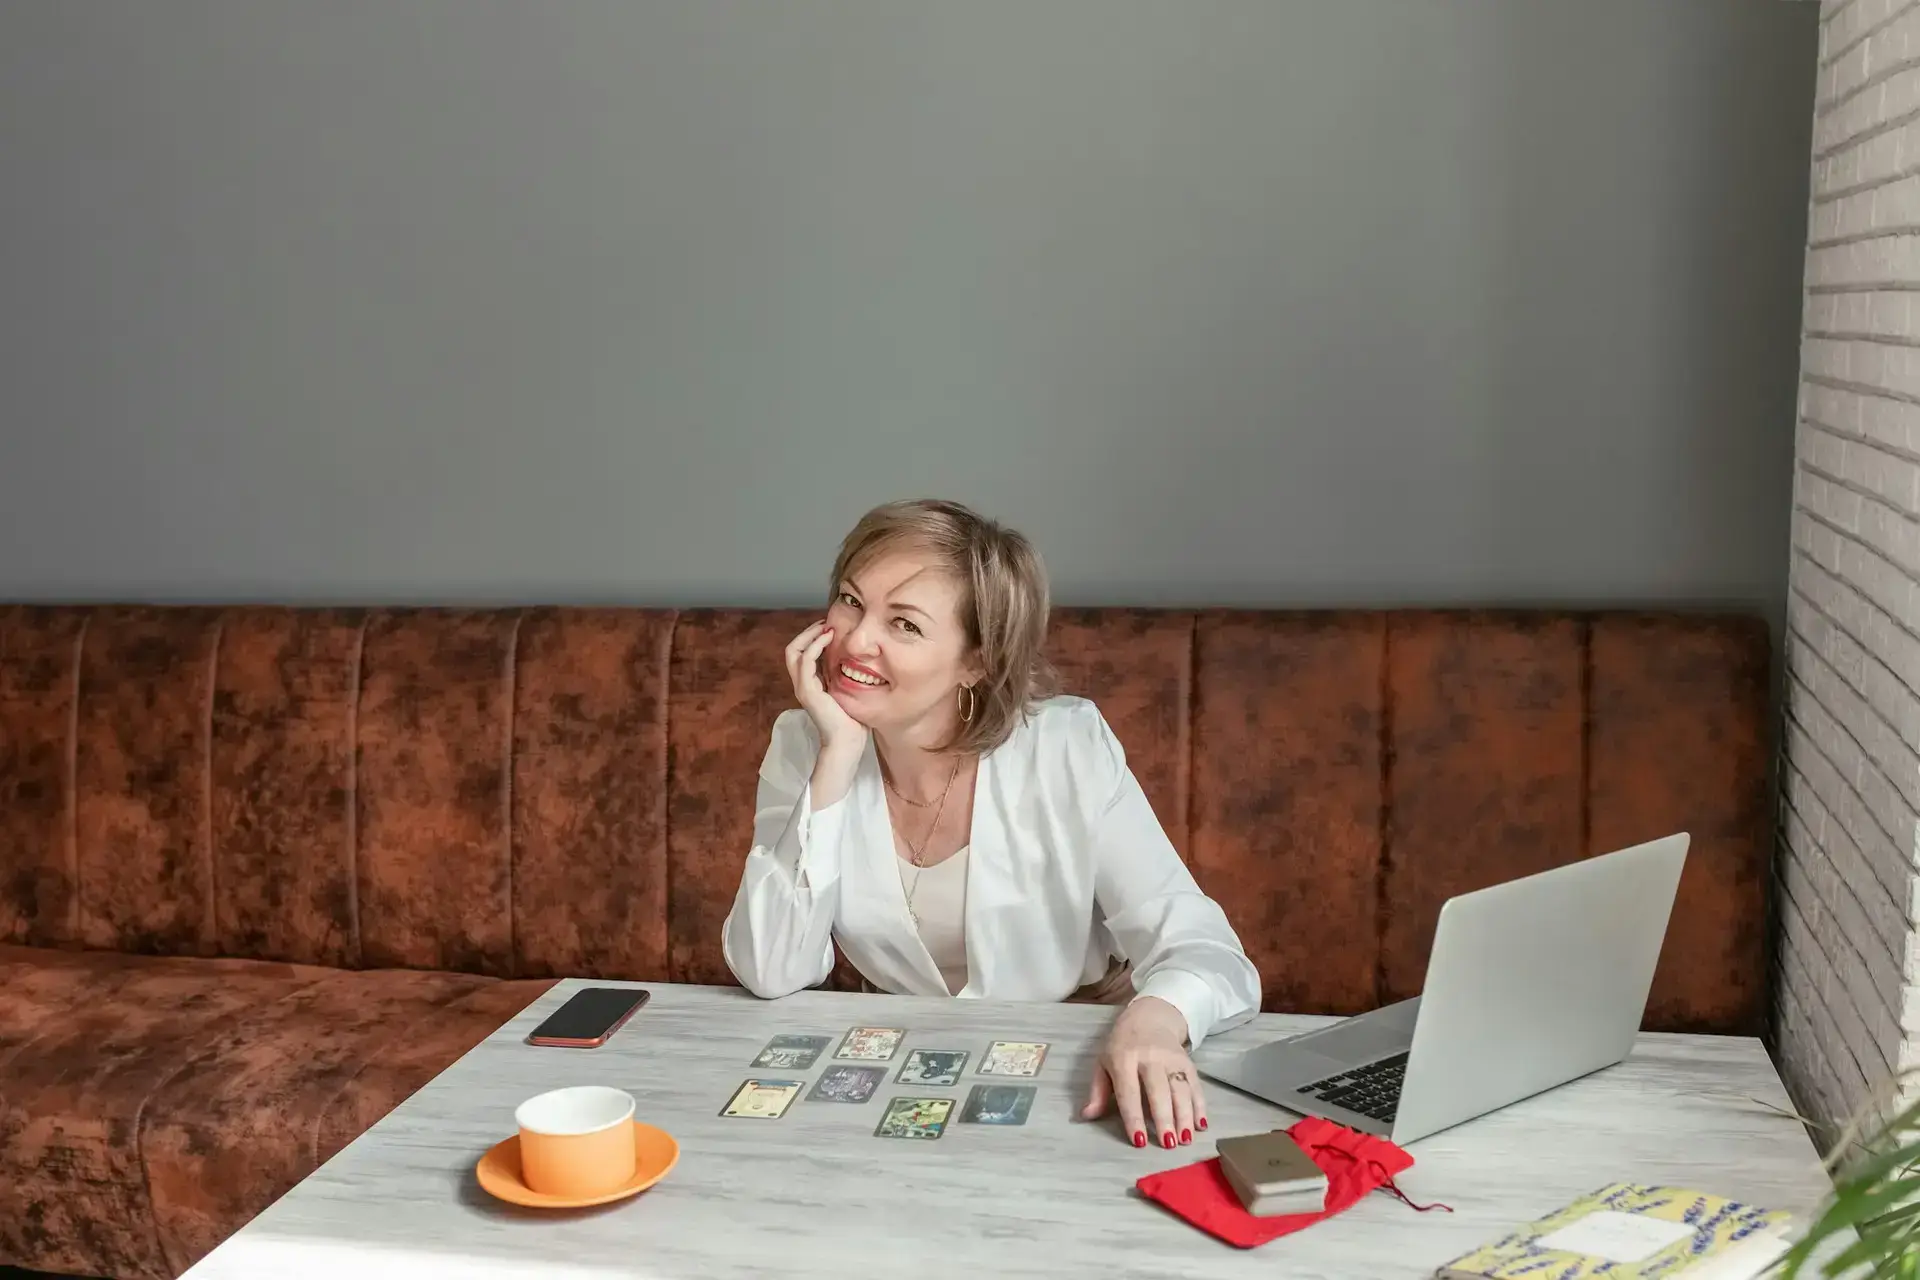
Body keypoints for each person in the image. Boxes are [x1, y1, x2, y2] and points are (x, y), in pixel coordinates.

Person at [721, 498, 1262, 1152]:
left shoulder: (1067, 747)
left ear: (976, 660)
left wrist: (1151, 1023)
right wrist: (835, 758)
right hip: (901, 1080)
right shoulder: (805, 743)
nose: (858, 640)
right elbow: (769, 968)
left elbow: (1209, 952)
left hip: (1076, 1076)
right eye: (850, 601)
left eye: (905, 625)